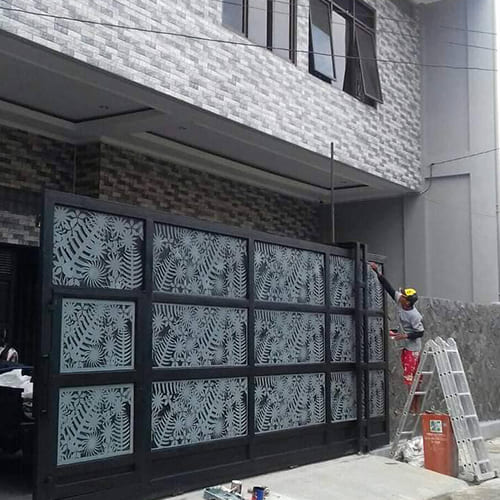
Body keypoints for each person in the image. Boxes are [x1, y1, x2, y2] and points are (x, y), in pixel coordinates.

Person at [369, 263, 424, 413]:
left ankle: (414, 407)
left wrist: (404, 335)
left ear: (408, 301)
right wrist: (377, 272)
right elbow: (389, 289)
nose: (400, 297)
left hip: (413, 348)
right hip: (406, 345)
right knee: (409, 377)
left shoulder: (414, 315)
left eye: (403, 296)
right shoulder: (401, 302)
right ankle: (412, 406)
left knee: (411, 377)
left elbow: (420, 332)